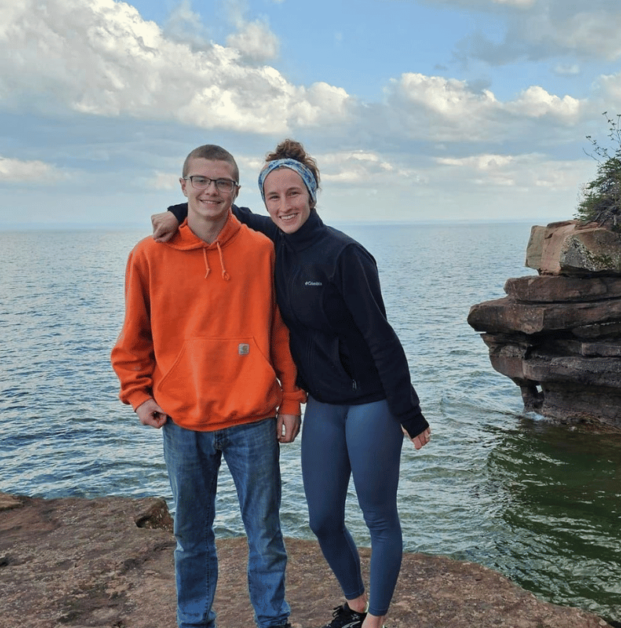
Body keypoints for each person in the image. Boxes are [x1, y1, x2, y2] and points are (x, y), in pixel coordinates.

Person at [152, 139, 432, 628]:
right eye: (274, 197)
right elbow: (219, 206)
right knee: (322, 518)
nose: (284, 206)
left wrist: (408, 413)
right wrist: (176, 212)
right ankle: (356, 602)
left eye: (294, 194)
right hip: (323, 402)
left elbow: (381, 337)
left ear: (313, 194)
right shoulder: (273, 241)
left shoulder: (346, 254)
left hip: (370, 401)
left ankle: (374, 621)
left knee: (379, 517)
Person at [112, 144, 304, 628]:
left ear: (236, 192)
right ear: (183, 186)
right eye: (200, 180)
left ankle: (272, 620)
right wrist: (138, 396)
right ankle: (194, 621)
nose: (210, 191)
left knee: (264, 535)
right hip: (183, 420)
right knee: (191, 537)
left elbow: (282, 331)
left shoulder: (263, 249)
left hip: (254, 419)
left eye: (221, 183)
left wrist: (291, 399)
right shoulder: (148, 255)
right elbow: (135, 336)